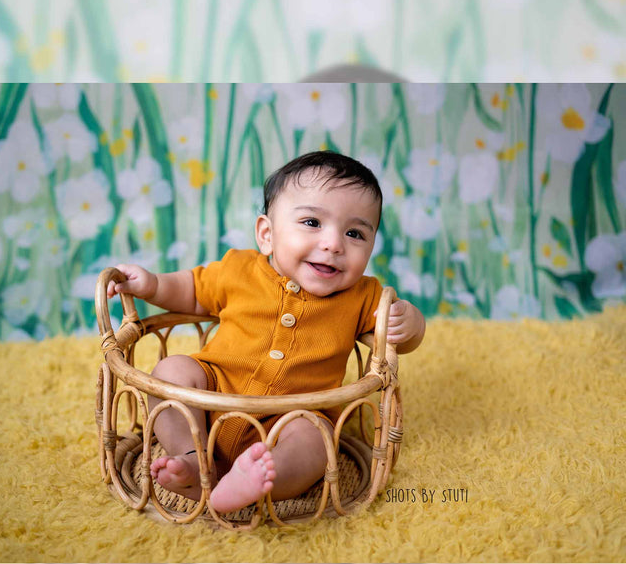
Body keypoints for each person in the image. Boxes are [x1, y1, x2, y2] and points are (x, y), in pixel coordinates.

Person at [107, 151, 425, 513]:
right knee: (172, 371)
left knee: (317, 442)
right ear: (267, 234)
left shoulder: (363, 295)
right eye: (311, 222)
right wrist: (151, 284)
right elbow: (191, 291)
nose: (334, 243)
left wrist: (411, 323)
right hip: (213, 394)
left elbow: (399, 338)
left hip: (290, 421)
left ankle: (254, 486)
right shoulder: (239, 270)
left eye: (355, 233)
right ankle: (194, 458)